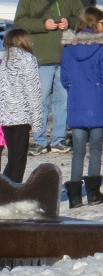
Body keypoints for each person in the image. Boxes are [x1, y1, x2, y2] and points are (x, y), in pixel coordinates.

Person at [14, 0, 84, 155]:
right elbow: (19, 22)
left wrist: (69, 22)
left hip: (65, 56)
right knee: (40, 100)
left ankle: (59, 139)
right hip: (40, 58)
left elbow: (83, 17)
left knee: (63, 100)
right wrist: (42, 24)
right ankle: (39, 140)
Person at [60, 7, 103, 207]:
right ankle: (93, 193)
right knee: (95, 148)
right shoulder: (102, 49)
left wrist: (76, 91)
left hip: (77, 104)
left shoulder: (68, 48)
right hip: (98, 102)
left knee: (77, 151)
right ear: (95, 23)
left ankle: (75, 196)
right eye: (102, 22)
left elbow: (65, 79)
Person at [0, 28, 43, 183]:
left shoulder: (4, 61)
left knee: (13, 157)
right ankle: (11, 193)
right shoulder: (28, 59)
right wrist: (38, 122)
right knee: (18, 160)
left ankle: (6, 189)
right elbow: (33, 91)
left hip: (5, 117)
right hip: (21, 116)